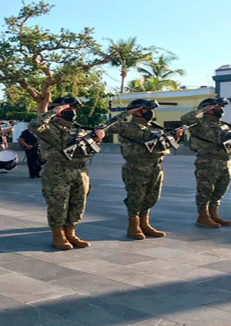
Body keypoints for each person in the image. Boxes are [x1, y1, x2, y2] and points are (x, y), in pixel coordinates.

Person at [29, 97, 103, 249]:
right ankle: (58, 236)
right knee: (58, 205)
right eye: (69, 109)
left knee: (77, 204)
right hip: (57, 171)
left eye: (74, 110)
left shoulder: (78, 129)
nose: (73, 112)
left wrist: (96, 139)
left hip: (80, 170)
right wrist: (54, 111)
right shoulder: (48, 128)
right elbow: (34, 125)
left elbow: (86, 149)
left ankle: (71, 233)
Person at [108, 99, 181, 240]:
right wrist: (126, 113)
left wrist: (175, 138)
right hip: (137, 166)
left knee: (152, 197)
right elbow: (107, 127)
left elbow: (162, 146)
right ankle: (133, 225)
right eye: (147, 110)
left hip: (156, 166)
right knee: (136, 197)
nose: (150, 113)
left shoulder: (154, 127)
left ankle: (144, 223)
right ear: (137, 111)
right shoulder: (125, 126)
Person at [181, 98, 231, 228]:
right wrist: (203, 109)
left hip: (225, 161)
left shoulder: (224, 125)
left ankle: (213, 214)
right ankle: (203, 216)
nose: (221, 110)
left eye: (221, 107)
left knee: (220, 190)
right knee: (205, 189)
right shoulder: (199, 124)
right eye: (217, 107)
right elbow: (186, 118)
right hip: (208, 161)